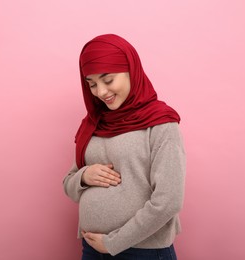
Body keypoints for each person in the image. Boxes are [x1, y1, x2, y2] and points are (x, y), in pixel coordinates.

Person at [63, 34, 186, 260]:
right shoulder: (94, 124)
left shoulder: (161, 124)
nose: (101, 92)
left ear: (132, 70)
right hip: (92, 249)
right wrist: (84, 176)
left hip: (142, 252)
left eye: (107, 80)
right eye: (91, 84)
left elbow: (169, 201)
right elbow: (68, 185)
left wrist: (113, 242)